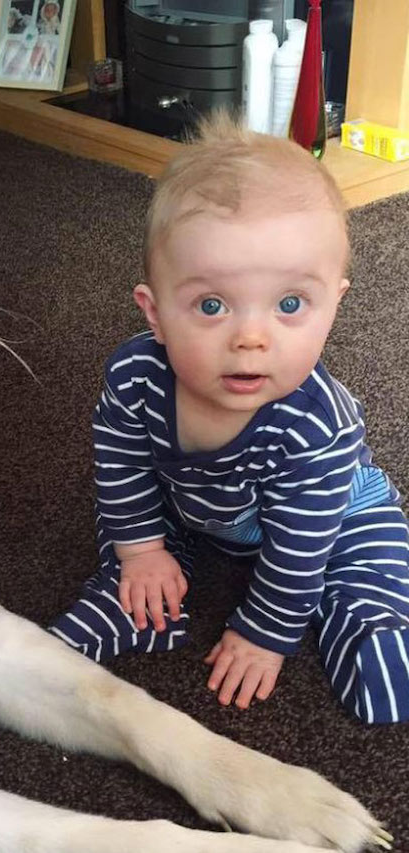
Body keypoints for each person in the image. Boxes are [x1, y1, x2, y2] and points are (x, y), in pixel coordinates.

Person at [49, 112, 409, 725]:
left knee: (364, 552)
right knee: (133, 536)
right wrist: (140, 552)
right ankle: (136, 607)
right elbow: (123, 465)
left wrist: (266, 633)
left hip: (330, 514)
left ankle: (369, 619)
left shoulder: (316, 429)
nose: (250, 337)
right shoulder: (135, 378)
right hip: (199, 507)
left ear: (335, 305)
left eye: (290, 304)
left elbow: (300, 546)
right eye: (211, 305)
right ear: (155, 312)